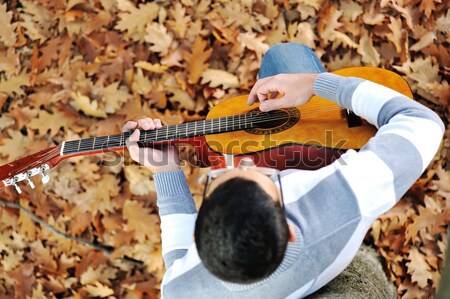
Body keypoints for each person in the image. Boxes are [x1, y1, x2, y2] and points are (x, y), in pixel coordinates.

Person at [123, 43, 444, 298]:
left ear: (202, 237)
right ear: (290, 231)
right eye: (265, 177)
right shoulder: (340, 200)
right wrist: (315, 83)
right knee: (287, 57)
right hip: (333, 223)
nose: (248, 161)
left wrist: (165, 169)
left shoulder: (178, 293)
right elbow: (421, 123)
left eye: (219, 177)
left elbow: (180, 263)